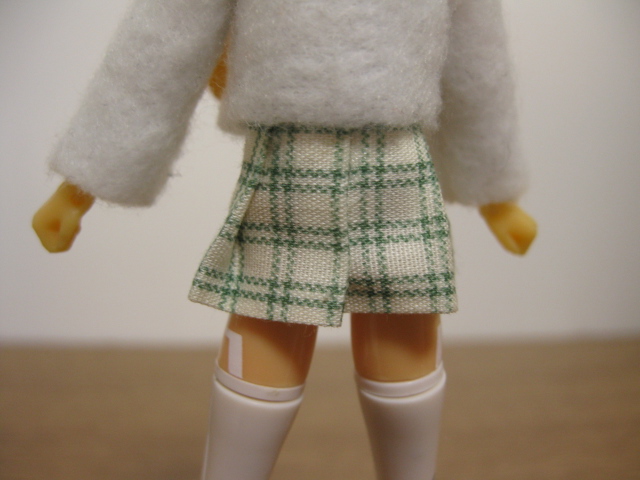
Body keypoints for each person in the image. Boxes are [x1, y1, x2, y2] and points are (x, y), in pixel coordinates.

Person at [33, 1, 537, 479]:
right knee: (267, 330)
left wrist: (494, 189)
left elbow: (475, 56)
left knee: (404, 330)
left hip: (396, 160)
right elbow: (164, 42)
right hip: (290, 160)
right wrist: (83, 185)